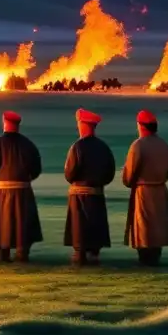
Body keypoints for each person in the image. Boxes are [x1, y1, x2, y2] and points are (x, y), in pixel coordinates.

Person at [0, 111, 43, 262]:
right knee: (23, 222)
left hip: (4, 191)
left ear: (4, 122)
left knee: (3, 222)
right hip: (23, 190)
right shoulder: (28, 144)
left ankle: (3, 253)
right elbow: (36, 168)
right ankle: (22, 252)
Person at [63, 109, 116, 265]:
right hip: (97, 195)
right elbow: (110, 173)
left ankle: (80, 259)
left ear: (82, 125)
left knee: (79, 235)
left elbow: (69, 174)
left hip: (79, 196)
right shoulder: (104, 147)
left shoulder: (77, 147)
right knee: (95, 236)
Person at [122, 110, 168, 266]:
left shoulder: (138, 145)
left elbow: (128, 176)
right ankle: (155, 257)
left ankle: (145, 259)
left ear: (141, 126)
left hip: (143, 192)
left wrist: (128, 180)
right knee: (158, 227)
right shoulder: (164, 144)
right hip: (160, 190)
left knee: (144, 228)